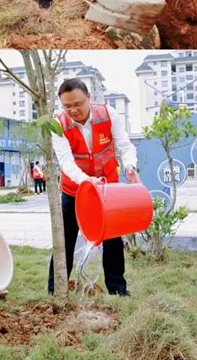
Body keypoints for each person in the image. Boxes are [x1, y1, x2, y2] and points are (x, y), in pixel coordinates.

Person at [47, 78, 139, 296]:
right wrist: (86, 180)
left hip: (107, 188)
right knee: (65, 239)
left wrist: (130, 166)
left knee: (112, 237)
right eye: (67, 106)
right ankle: (56, 289)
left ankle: (118, 290)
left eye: (78, 104)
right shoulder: (58, 123)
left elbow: (125, 146)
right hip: (75, 189)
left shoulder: (108, 114)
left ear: (89, 97)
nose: (73, 110)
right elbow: (66, 162)